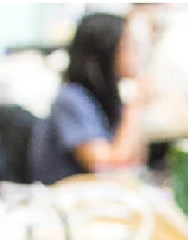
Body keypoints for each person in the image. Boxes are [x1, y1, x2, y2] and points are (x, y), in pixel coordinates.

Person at [33, 10, 144, 181]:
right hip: (65, 199)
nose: (137, 53)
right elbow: (104, 165)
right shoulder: (71, 98)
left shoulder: (111, 99)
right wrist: (136, 107)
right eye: (128, 45)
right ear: (106, 52)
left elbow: (134, 162)